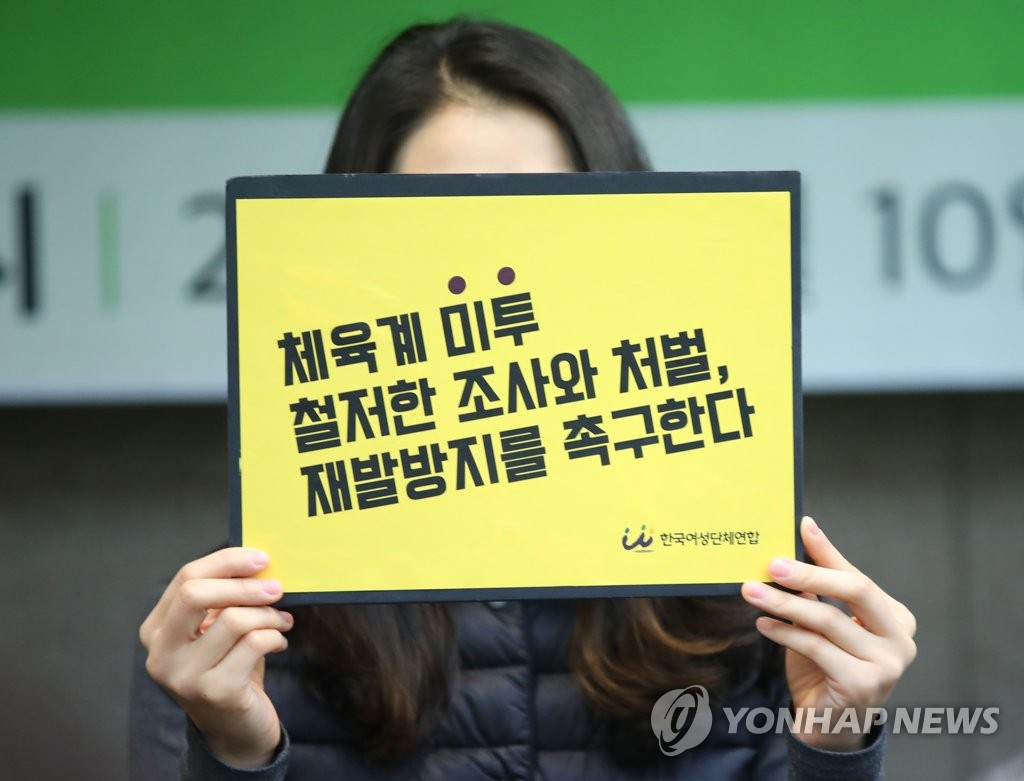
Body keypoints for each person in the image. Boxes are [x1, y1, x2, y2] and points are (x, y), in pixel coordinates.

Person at [130, 19, 917, 780]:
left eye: (546, 218)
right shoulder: (233, 630)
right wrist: (233, 755)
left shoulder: (751, 592)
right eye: (445, 227)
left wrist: (835, 750)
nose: (500, 274)